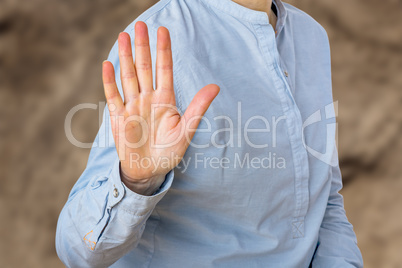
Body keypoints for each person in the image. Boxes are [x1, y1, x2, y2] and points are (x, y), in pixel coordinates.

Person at [56, 0, 363, 266]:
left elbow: (324, 199)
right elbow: (79, 252)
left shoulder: (312, 37)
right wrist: (136, 181)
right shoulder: (155, 39)